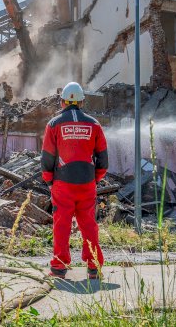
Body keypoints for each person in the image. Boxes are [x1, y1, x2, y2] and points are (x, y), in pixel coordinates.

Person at [41, 82, 108, 280]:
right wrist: (94, 179)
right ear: (81, 102)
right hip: (87, 184)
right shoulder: (94, 124)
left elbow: (47, 157)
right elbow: (103, 159)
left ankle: (59, 268)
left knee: (61, 225)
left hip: (62, 184)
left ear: (62, 102)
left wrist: (49, 180)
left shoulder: (53, 124)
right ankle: (94, 267)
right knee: (89, 225)